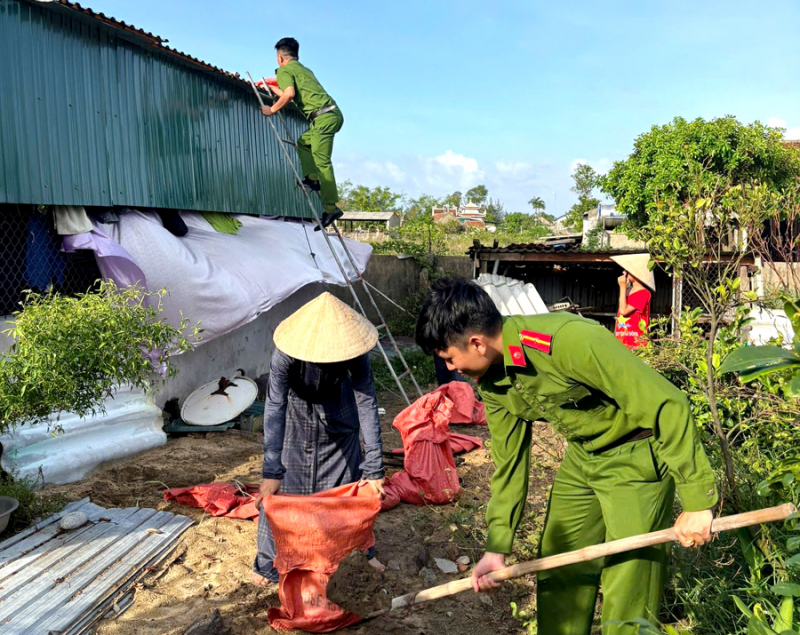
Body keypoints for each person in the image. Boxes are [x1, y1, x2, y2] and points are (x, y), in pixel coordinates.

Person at [415, 278, 717, 635]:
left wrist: (698, 502)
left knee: (629, 576)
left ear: (476, 343)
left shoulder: (568, 341)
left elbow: (667, 404)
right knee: (558, 561)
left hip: (636, 455)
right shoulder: (492, 381)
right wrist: (497, 547)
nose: (451, 369)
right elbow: (510, 463)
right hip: (584, 457)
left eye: (450, 358)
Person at [252, 292, 385, 586]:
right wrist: (272, 469)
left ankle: (358, 552)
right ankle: (269, 562)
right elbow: (275, 405)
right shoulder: (284, 354)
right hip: (297, 413)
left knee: (347, 490)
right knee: (280, 492)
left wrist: (374, 467)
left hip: (340, 410)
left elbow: (366, 402)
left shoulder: (356, 353)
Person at [261, 37, 344, 229]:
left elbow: (288, 94)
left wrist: (271, 110)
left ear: (280, 57)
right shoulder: (303, 70)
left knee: (322, 162)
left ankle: (331, 208)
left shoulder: (284, 70)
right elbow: (290, 96)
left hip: (323, 117)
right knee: (304, 142)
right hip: (329, 115)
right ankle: (312, 178)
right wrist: (273, 89)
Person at [612, 254, 654, 349]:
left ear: (636, 274)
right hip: (622, 337)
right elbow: (620, 314)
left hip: (635, 341)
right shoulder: (627, 290)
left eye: (627, 271)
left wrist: (622, 287)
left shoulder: (643, 293)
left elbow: (624, 311)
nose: (624, 273)